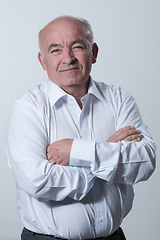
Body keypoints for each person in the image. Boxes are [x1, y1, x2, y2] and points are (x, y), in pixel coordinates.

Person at [6, 16, 156, 240]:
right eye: (56, 50)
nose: (68, 58)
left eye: (77, 46)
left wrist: (76, 152)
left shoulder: (119, 100)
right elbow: (38, 181)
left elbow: (144, 162)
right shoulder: (28, 109)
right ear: (42, 60)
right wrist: (107, 151)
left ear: (93, 52)